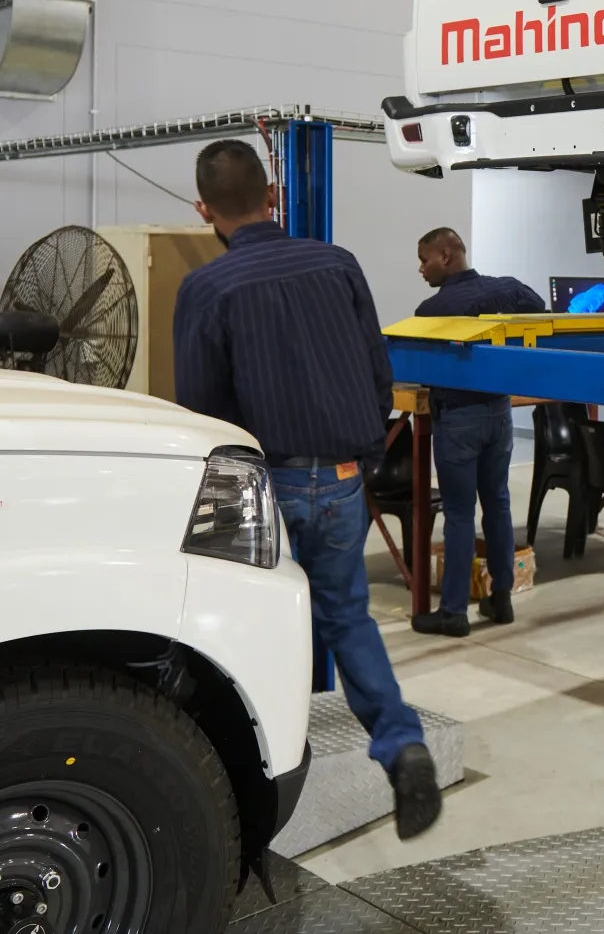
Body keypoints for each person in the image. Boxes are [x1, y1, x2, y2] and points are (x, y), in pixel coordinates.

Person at [173, 139, 441, 840]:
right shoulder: (339, 263)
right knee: (348, 618)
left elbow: (201, 410)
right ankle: (401, 743)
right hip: (346, 478)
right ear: (273, 196)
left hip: (266, 486)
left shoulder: (206, 289)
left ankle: (272, 775)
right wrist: (356, 451)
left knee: (255, 629)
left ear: (205, 209)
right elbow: (379, 373)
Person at [412, 227, 546, 637]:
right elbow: (538, 306)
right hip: (499, 413)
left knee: (457, 513)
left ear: (447, 255)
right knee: (498, 505)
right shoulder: (507, 289)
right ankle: (499, 599)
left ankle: (454, 612)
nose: (421, 269)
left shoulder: (431, 311)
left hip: (458, 419)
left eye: (425, 259)